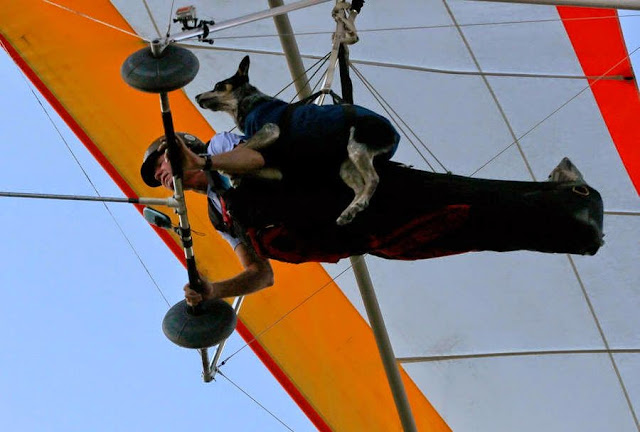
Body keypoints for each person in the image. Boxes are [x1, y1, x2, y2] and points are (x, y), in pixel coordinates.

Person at [140, 131, 274, 306]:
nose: (158, 175)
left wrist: (203, 162)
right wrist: (213, 291)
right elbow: (262, 274)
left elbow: (257, 158)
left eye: (159, 164)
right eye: (156, 177)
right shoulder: (219, 216)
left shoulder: (218, 147)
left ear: (184, 149)